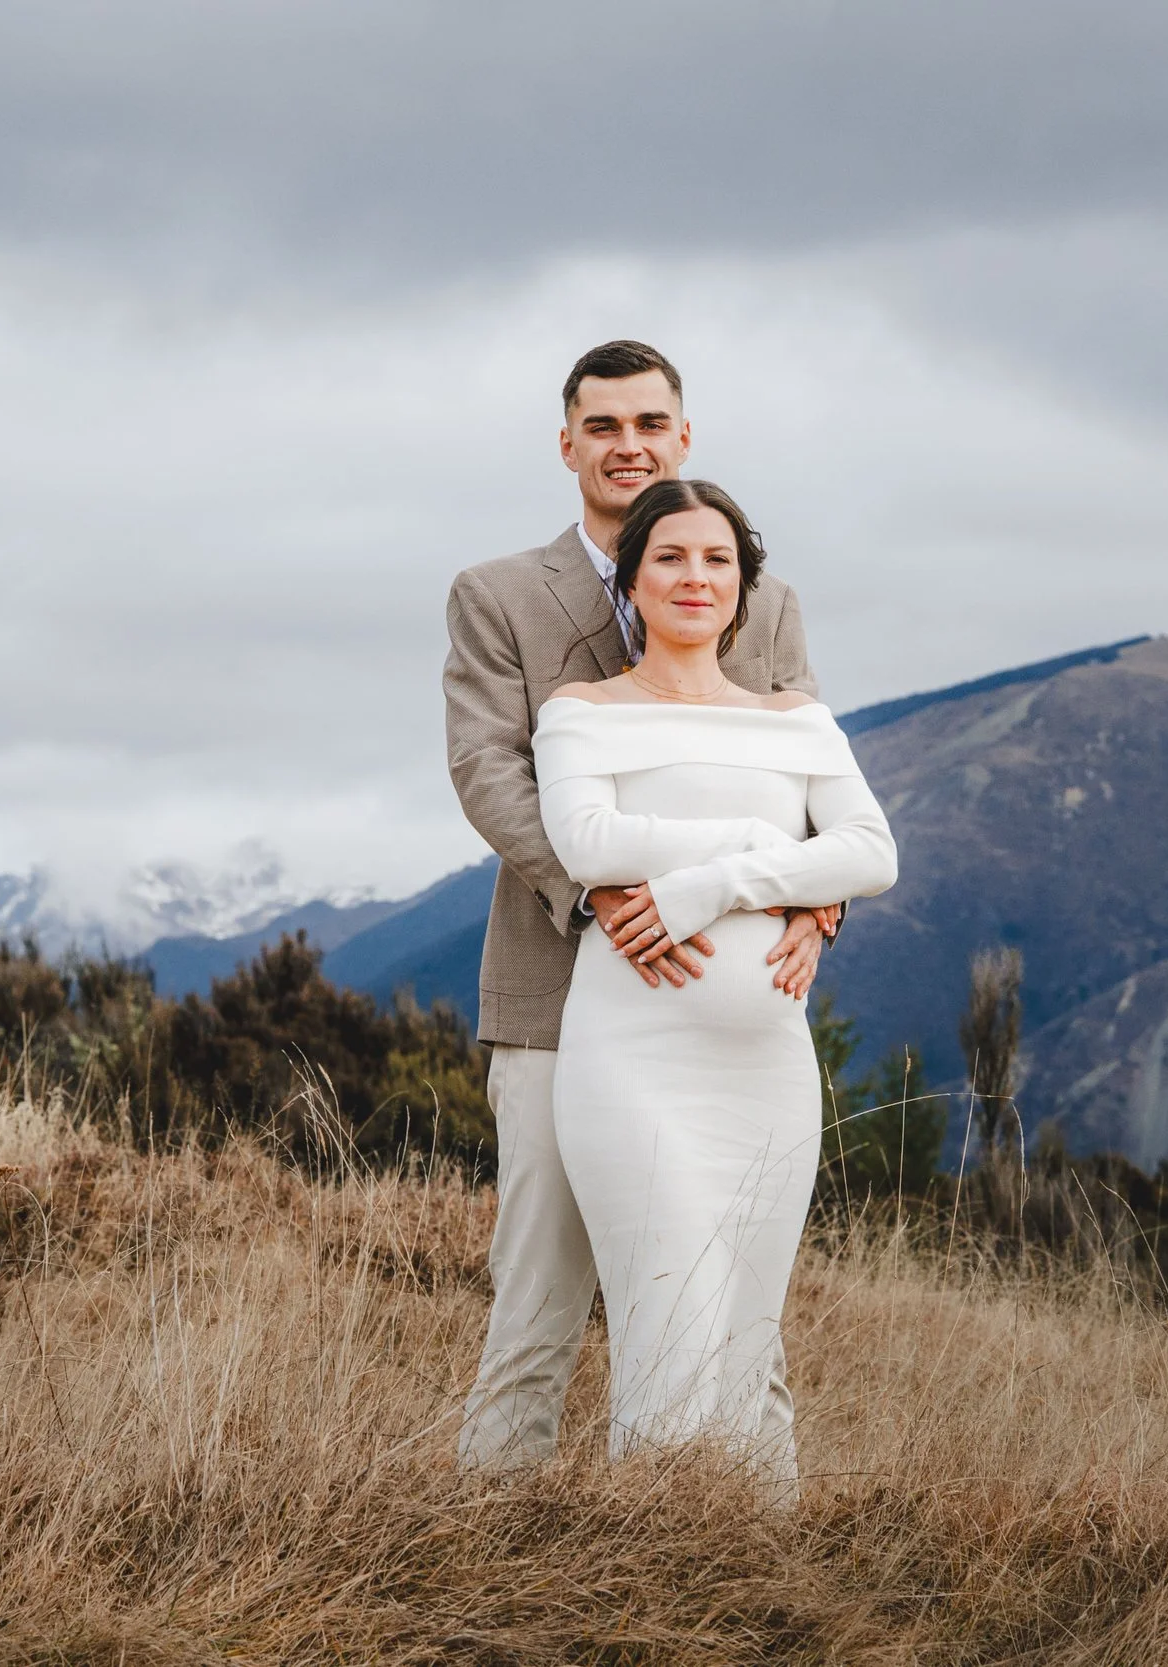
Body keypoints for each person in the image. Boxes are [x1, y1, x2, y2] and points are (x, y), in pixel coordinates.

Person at [444, 341, 838, 1470]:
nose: (629, 445)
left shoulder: (764, 602)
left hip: (731, 1005)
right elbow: (486, 770)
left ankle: (754, 1575)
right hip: (558, 994)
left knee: (741, 1324)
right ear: (566, 443)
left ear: (683, 437)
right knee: (540, 1305)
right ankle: (485, 1571)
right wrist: (602, 891)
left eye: (650, 423)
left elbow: (814, 783)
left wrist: (821, 909)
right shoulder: (500, 596)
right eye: (603, 426)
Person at [535, 477, 897, 1487]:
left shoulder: (797, 722)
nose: (695, 578)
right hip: (634, 1063)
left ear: (743, 587)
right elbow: (584, 839)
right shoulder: (583, 712)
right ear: (632, 577)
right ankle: (653, 1580)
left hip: (768, 1072)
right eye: (671, 558)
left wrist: (726, 880)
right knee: (666, 1322)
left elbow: (871, 853)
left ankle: (761, 1584)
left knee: (745, 1337)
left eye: (717, 561)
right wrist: (757, 838)